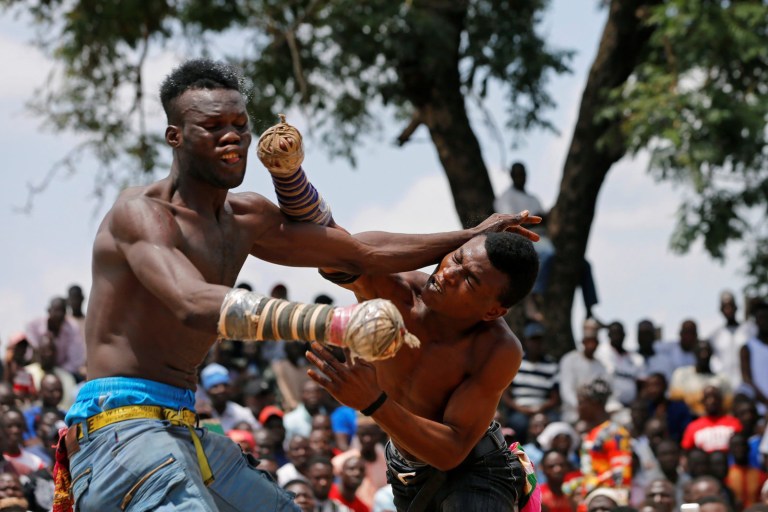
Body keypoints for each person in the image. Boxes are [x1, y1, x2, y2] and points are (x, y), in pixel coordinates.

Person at [56, 58, 537, 512]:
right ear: (175, 136)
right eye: (213, 127)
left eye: (240, 126)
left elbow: (351, 251)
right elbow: (190, 301)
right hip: (120, 424)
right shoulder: (140, 213)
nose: (232, 138)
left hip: (181, 424)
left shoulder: (246, 216)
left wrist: (473, 233)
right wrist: (335, 323)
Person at [305, 230, 541, 511]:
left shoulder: (496, 348)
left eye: (469, 279)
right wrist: (471, 234)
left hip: (476, 470)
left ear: (492, 311)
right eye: (455, 257)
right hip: (407, 471)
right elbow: (335, 254)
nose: (449, 274)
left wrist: (373, 402)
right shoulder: (396, 289)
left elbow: (452, 449)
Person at [494, 161, 600, 322]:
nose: (520, 178)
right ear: (512, 176)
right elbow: (510, 222)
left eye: (523, 174)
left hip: (545, 235)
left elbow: (542, 218)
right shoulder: (506, 198)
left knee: (582, 264)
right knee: (547, 252)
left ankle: (590, 309)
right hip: (525, 237)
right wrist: (536, 219)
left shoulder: (533, 198)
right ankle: (534, 294)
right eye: (517, 174)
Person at [25, 297, 85, 378]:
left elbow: (75, 361)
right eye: (56, 310)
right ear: (49, 310)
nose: (59, 314)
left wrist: (58, 372)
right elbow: (30, 337)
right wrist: (40, 350)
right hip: (38, 365)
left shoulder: (72, 328)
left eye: (62, 311)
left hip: (64, 371)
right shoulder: (35, 325)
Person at [708, 291, 750, 390]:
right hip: (724, 387)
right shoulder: (714, 336)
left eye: (731, 306)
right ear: (721, 310)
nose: (728, 310)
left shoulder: (749, 330)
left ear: (736, 307)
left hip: (746, 385)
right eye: (725, 307)